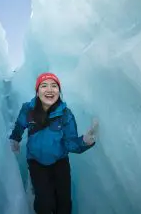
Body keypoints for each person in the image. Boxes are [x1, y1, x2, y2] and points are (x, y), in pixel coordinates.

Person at [9, 72, 98, 214]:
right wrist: (15, 138)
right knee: (45, 203)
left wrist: (84, 141)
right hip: (36, 162)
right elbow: (20, 125)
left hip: (60, 161)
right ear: (37, 92)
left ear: (59, 91)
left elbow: (70, 143)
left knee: (63, 203)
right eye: (44, 86)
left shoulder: (65, 114)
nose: (49, 89)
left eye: (54, 86)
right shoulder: (28, 110)